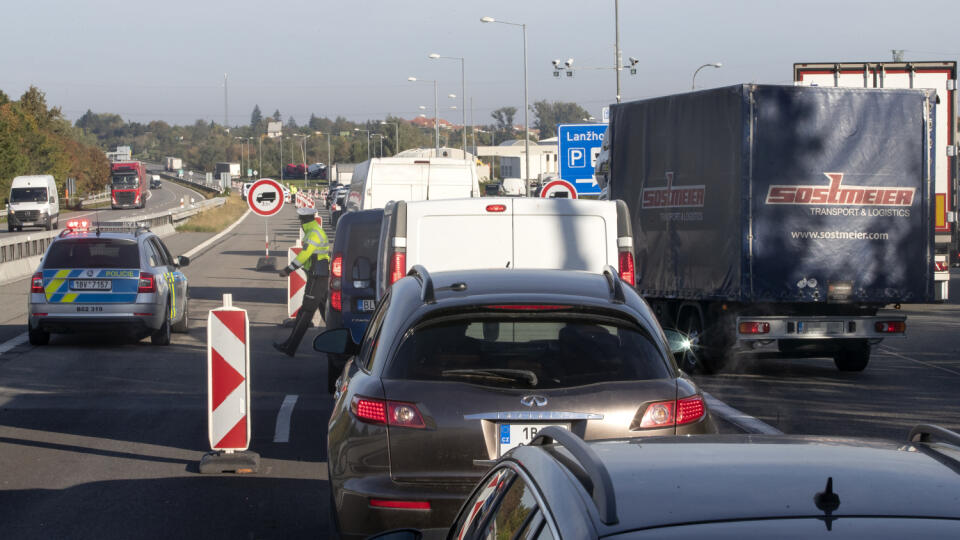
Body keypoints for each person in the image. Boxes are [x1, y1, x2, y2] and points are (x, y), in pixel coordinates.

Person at [273, 206, 330, 357]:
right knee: (328, 314)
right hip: (319, 275)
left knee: (306, 312)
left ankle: (290, 347)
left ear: (303, 220)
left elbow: (305, 255)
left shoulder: (313, 233)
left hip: (317, 277)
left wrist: (288, 270)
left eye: (300, 219)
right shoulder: (314, 230)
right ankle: (337, 347)